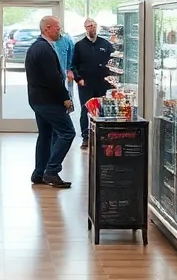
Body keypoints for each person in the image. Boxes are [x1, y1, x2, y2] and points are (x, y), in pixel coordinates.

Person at [25, 16, 75, 189]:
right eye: (57, 28)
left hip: (38, 99)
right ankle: (52, 170)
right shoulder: (44, 50)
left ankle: (39, 173)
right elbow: (53, 78)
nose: (59, 31)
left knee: (46, 135)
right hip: (48, 100)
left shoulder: (37, 47)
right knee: (68, 132)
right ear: (46, 28)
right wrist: (65, 98)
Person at [71, 18, 114, 148]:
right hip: (86, 83)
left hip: (103, 83)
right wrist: (78, 79)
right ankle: (86, 137)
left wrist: (111, 79)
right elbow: (73, 65)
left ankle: (103, 137)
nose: (92, 28)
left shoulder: (105, 44)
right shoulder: (79, 46)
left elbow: (113, 62)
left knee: (103, 109)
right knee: (86, 109)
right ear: (85, 28)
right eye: (89, 26)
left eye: (94, 26)